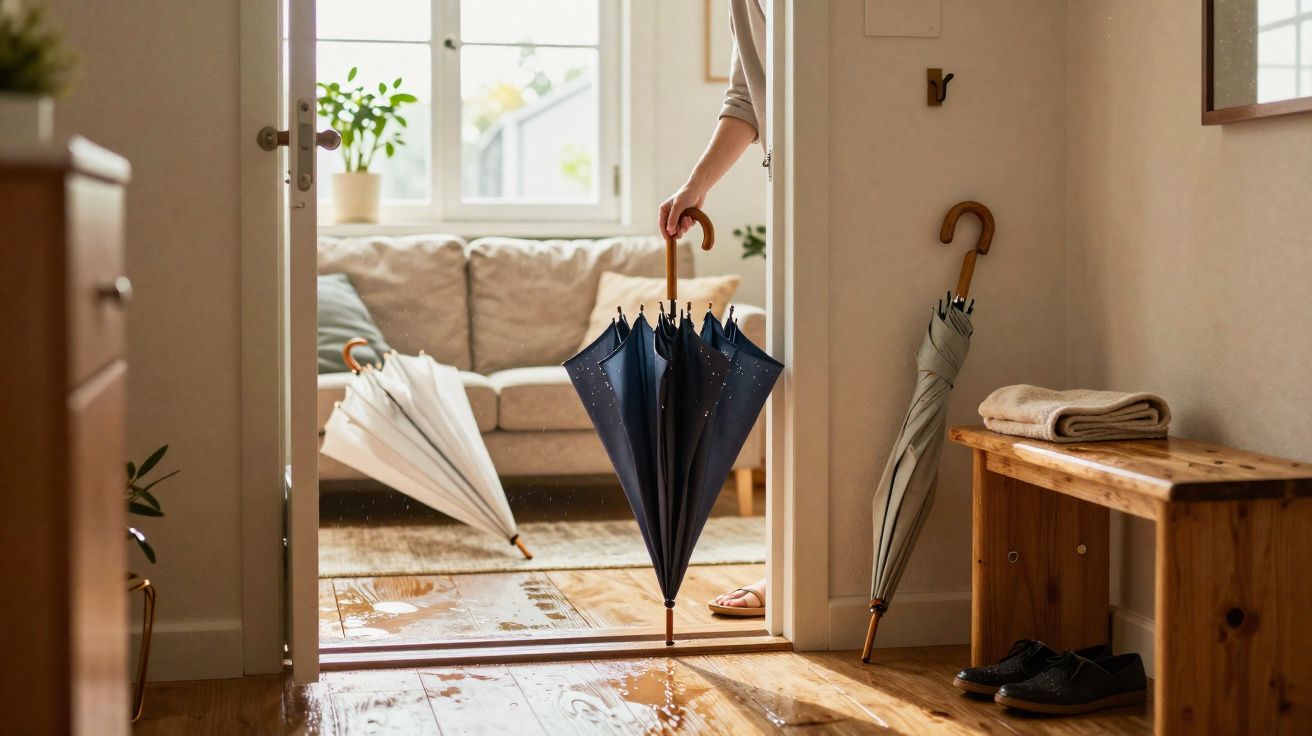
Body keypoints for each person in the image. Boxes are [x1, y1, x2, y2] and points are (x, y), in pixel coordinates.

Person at [659, 0, 768, 617]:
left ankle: (804, 574)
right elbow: (749, 97)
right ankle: (793, 568)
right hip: (794, 178)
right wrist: (694, 187)